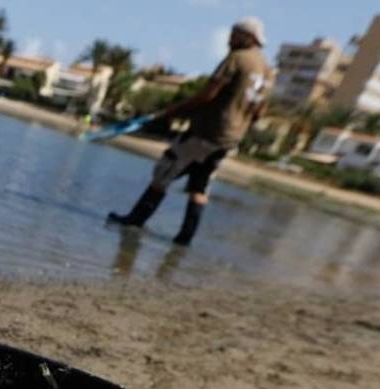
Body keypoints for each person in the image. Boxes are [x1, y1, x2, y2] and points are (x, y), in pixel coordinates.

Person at [107, 17, 274, 245]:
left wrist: (172, 111)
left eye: (234, 34)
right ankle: (185, 238)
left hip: (207, 132)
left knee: (165, 171)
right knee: (200, 184)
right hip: (230, 139)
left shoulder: (237, 59)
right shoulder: (266, 69)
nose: (229, 39)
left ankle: (135, 221)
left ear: (247, 37)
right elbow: (259, 112)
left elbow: (207, 94)